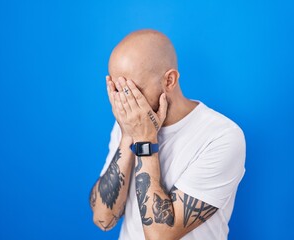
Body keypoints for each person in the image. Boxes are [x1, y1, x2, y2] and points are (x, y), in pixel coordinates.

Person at [89, 29, 246, 240]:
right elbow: (103, 219)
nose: (125, 102)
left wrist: (145, 140)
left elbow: (159, 236)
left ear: (169, 81)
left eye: (132, 90)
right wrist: (128, 135)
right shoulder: (128, 123)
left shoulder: (222, 137)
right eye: (117, 90)